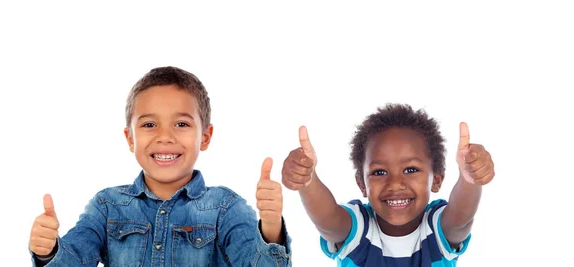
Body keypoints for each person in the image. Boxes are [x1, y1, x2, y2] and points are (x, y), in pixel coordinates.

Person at [28, 66, 292, 266]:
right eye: (149, 125)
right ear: (130, 138)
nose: (165, 136)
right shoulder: (107, 206)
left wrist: (270, 228)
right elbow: (73, 259)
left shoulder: (225, 208)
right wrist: (47, 251)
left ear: (205, 137)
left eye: (181, 124)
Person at [281, 103, 494, 266]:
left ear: (436, 179)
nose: (395, 183)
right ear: (362, 185)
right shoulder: (360, 227)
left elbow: (460, 220)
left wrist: (470, 180)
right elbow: (328, 221)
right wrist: (308, 182)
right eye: (379, 172)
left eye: (410, 170)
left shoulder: (435, 228)